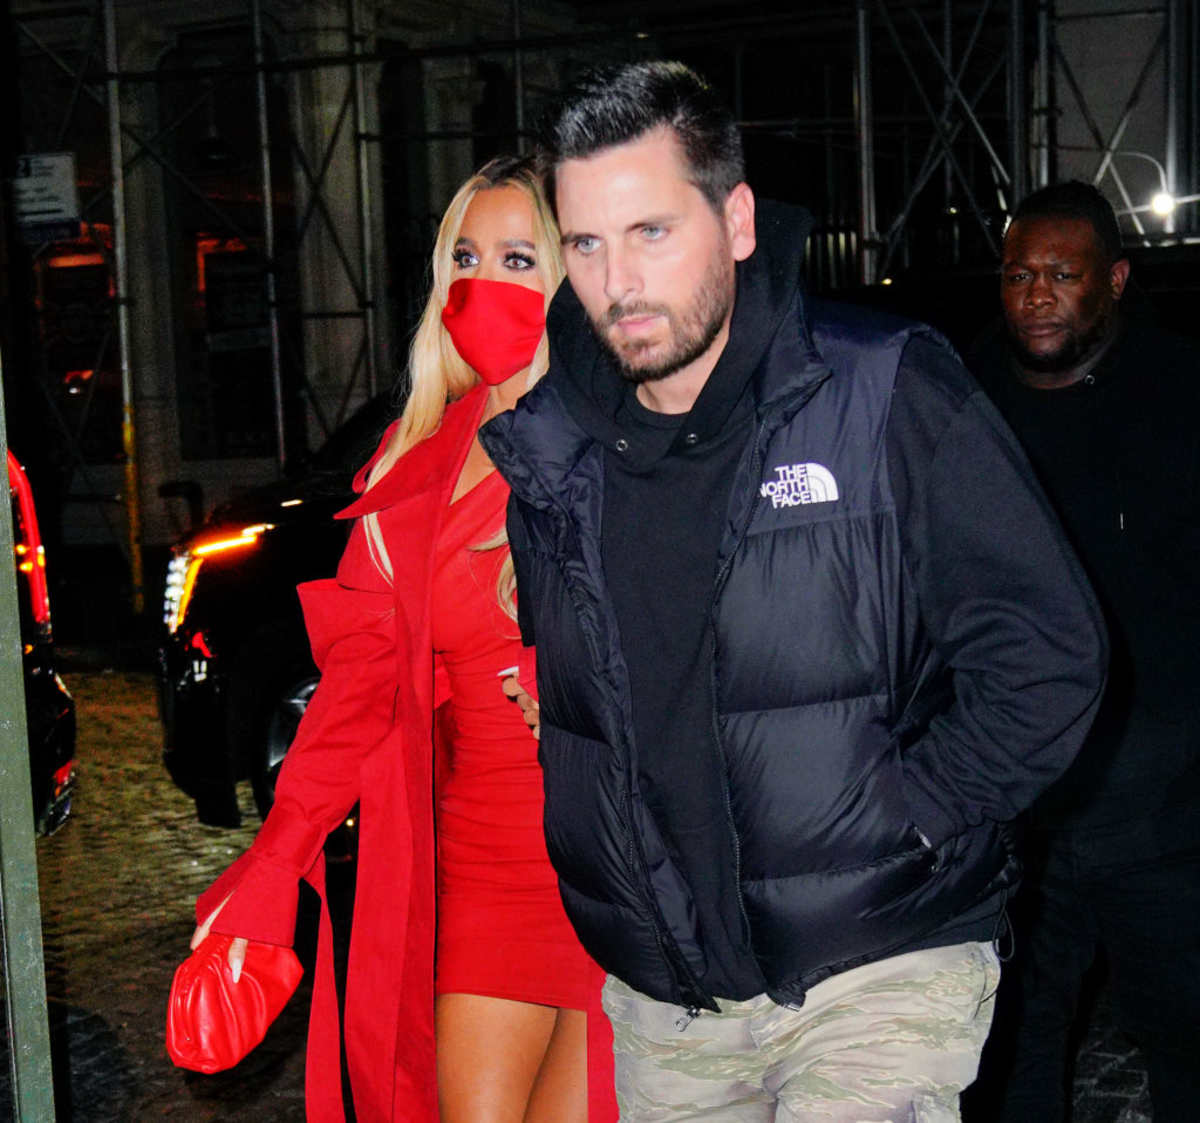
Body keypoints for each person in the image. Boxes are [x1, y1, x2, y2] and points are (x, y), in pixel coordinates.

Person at [481, 61, 1108, 1121]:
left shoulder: (881, 386)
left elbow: (1048, 654)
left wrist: (908, 815)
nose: (617, 283)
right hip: (669, 1000)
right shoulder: (556, 449)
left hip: (878, 966)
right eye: (585, 242)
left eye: (650, 233)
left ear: (734, 220)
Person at [188, 155, 615, 1123]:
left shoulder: (631, 444)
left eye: (517, 257)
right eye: (465, 255)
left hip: (617, 870)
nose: (481, 283)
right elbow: (355, 694)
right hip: (481, 874)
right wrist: (272, 863)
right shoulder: (415, 462)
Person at [967, 181, 1200, 1123]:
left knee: (1185, 1033)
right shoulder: (961, 395)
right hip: (1019, 810)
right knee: (1010, 1046)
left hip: (1164, 811)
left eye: (1063, 274)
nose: (1036, 295)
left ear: (1114, 279)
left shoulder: (1178, 392)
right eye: (1020, 274)